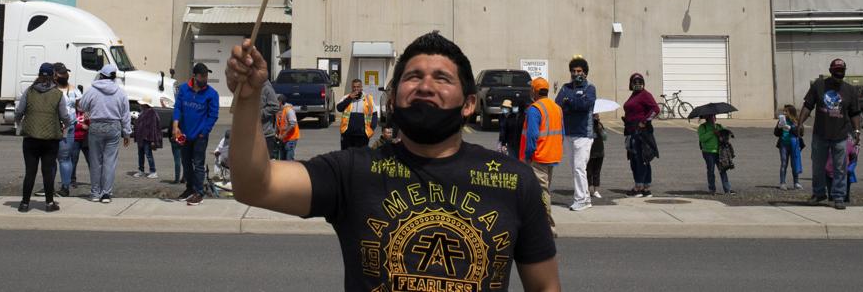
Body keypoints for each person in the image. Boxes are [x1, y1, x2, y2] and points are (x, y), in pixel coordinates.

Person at [227, 31, 561, 291]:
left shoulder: (514, 181)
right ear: (393, 98)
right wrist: (248, 98)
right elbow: (255, 184)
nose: (425, 86)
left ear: (470, 103)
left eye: (442, 78)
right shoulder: (353, 172)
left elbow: (545, 285)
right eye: (413, 77)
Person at [797, 58, 862, 209]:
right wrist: (800, 123)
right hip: (820, 133)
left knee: (840, 168)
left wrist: (857, 131)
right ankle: (819, 193)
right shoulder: (819, 85)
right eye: (836, 71)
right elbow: (808, 106)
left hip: (840, 135)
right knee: (818, 167)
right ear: (831, 71)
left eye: (842, 71)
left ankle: (838, 196)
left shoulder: (850, 90)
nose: (839, 74)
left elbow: (855, 113)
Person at [15, 62, 71, 213]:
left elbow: (19, 111)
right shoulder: (58, 94)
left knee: (30, 172)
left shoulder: (29, 91)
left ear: (39, 74)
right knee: (48, 171)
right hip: (50, 139)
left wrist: (19, 122)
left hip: (30, 137)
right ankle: (49, 203)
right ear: (53, 75)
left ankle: (24, 204)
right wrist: (66, 125)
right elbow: (64, 116)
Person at [78, 63, 132, 204]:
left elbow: (82, 105)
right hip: (114, 126)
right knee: (110, 162)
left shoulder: (92, 90)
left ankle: (95, 193)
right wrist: (126, 133)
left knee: (96, 161)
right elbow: (125, 115)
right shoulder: (120, 92)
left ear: (101, 75)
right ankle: (106, 194)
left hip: (96, 126)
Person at [171, 62, 219, 206]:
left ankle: (199, 192)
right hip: (184, 134)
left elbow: (213, 115)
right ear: (194, 76)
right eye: (202, 76)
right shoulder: (184, 90)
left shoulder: (211, 94)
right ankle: (189, 189)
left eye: (206, 75)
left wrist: (204, 132)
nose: (205, 78)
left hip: (200, 137)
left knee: (198, 164)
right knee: (186, 163)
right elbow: (178, 107)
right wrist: (175, 126)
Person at [520, 76, 563, 230]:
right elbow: (561, 133)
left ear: (534, 90)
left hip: (538, 156)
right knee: (544, 189)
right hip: (552, 155)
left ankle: (547, 226)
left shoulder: (534, 109)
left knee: (541, 191)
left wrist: (528, 155)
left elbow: (532, 135)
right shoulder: (556, 108)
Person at [554, 56, 596, 211]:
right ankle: (585, 198)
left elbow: (585, 105)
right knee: (575, 169)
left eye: (579, 71)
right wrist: (572, 101)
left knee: (579, 168)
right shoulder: (565, 87)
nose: (575, 73)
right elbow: (558, 105)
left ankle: (581, 199)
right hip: (569, 133)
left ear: (585, 73)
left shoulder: (590, 88)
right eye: (573, 71)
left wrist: (570, 102)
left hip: (584, 134)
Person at [622, 73, 658, 197]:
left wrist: (644, 121)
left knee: (641, 159)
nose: (637, 84)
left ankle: (640, 187)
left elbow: (656, 109)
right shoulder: (634, 95)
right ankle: (644, 186)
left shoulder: (645, 95)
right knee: (635, 160)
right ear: (631, 84)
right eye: (634, 81)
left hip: (641, 133)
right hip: (631, 131)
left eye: (639, 81)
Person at [53, 62, 78, 197]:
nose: (65, 75)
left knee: (55, 158)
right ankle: (64, 187)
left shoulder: (51, 90)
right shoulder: (74, 90)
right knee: (64, 158)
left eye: (65, 72)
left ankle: (55, 186)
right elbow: (82, 106)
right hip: (68, 126)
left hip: (58, 126)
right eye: (62, 72)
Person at [336, 78, 377, 150]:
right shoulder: (346, 97)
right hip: (347, 134)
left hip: (362, 135)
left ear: (361, 88)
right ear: (352, 87)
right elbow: (339, 108)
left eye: (358, 87)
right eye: (354, 87)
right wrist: (349, 98)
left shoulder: (368, 99)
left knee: (360, 157)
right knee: (346, 156)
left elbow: (374, 115)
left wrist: (371, 129)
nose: (356, 89)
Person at [698, 115, 733, 195]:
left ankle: (727, 189)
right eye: (712, 117)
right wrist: (712, 132)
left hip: (719, 151)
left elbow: (725, 137)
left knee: (723, 170)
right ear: (708, 118)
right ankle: (712, 189)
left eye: (715, 116)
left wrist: (720, 135)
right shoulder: (703, 127)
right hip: (708, 152)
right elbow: (702, 138)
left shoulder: (719, 126)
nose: (714, 118)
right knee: (711, 170)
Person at [131, 99, 162, 178]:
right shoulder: (143, 112)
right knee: (140, 154)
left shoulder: (151, 112)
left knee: (148, 155)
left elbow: (153, 127)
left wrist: (152, 140)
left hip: (147, 137)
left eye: (141, 104)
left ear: (145, 104)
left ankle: (153, 171)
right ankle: (141, 171)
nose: (140, 105)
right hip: (141, 137)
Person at [774, 104, 803, 190]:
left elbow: (801, 133)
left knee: (794, 164)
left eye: (786, 111)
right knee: (783, 163)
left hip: (794, 144)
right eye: (784, 111)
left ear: (791, 112)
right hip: (783, 144)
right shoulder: (781, 120)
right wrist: (779, 127)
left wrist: (791, 128)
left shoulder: (796, 121)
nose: (784, 112)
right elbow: (776, 133)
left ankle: (796, 182)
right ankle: (782, 182)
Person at [260, 79, 281, 159]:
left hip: (265, 134)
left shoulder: (266, 88)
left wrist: (259, 114)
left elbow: (275, 106)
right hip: (250, 134)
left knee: (265, 164)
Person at [275, 95, 300, 161]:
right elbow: (279, 125)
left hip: (290, 139)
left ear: (280, 102)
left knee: (289, 160)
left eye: (275, 101)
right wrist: (277, 134)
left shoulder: (288, 110)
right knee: (283, 161)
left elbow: (292, 124)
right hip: (283, 139)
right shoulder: (279, 110)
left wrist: (283, 135)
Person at [587, 115, 606, 200]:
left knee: (597, 172)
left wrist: (600, 128)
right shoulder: (587, 124)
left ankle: (596, 190)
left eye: (598, 116)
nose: (597, 117)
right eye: (595, 116)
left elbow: (605, 137)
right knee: (588, 172)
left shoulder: (599, 125)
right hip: (590, 152)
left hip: (600, 152)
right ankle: (588, 189)